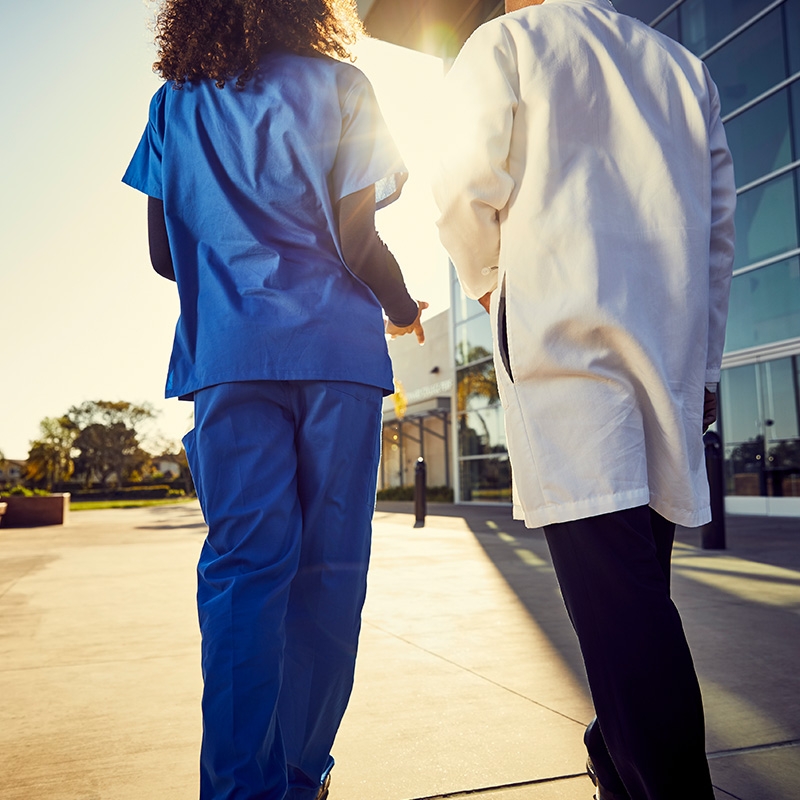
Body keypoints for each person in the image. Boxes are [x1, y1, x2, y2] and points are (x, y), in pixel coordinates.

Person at [122, 2, 426, 798]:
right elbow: (359, 241)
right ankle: (302, 774)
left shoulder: (174, 102)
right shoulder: (344, 86)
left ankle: (235, 788)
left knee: (241, 575)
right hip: (336, 359)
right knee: (329, 571)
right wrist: (403, 309)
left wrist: (229, 268)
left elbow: (163, 254)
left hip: (227, 359)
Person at [433, 1, 735, 798]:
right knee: (635, 594)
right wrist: (704, 371)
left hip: (567, 357)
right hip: (663, 360)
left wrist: (493, 285)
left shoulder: (506, 43)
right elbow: (718, 238)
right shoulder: (686, 70)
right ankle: (610, 752)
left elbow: (462, 190)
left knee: (622, 610)